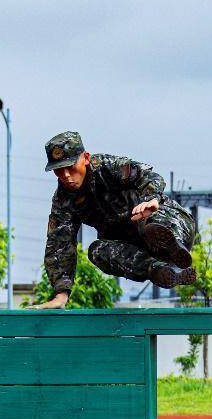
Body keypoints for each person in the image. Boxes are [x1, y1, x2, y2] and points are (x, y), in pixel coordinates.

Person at [32, 131, 197, 308]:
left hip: (172, 223)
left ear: (86, 158)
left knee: (148, 220)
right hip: (137, 247)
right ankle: (157, 269)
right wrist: (61, 294)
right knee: (96, 251)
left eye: (70, 167)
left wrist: (151, 199)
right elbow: (59, 245)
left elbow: (147, 175)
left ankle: (174, 246)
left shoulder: (107, 167)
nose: (65, 175)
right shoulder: (63, 200)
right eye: (58, 170)